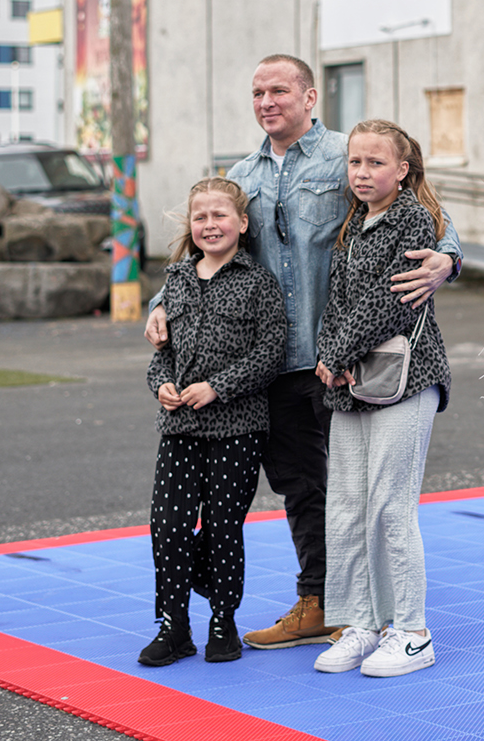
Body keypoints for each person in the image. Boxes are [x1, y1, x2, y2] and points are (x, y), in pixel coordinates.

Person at [143, 54, 463, 652]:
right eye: (258, 92)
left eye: (281, 91)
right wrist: (162, 301)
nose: (268, 102)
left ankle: (377, 611)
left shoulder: (353, 156)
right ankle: (322, 603)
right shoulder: (242, 174)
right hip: (278, 363)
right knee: (305, 489)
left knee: (371, 492)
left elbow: (423, 213)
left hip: (351, 361)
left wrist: (449, 259)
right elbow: (206, 245)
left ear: (310, 97)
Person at [308, 120, 451, 678]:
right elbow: (336, 301)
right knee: (347, 506)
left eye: (375, 163)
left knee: (392, 506)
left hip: (403, 382)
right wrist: (330, 356)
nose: (362, 173)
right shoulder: (353, 223)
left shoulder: (412, 219)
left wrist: (337, 355)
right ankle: (362, 623)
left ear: (403, 169)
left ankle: (412, 632)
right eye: (355, 163)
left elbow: (392, 299)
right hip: (350, 385)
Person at [138, 178, 286, 668]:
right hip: (179, 429)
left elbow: (271, 352)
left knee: (223, 527)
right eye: (200, 217)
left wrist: (219, 387)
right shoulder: (176, 281)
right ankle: (173, 624)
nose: (209, 225)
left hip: (238, 427)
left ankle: (223, 619)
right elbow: (164, 355)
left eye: (219, 215)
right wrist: (159, 383)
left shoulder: (258, 282)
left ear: (242, 224)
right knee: (168, 525)